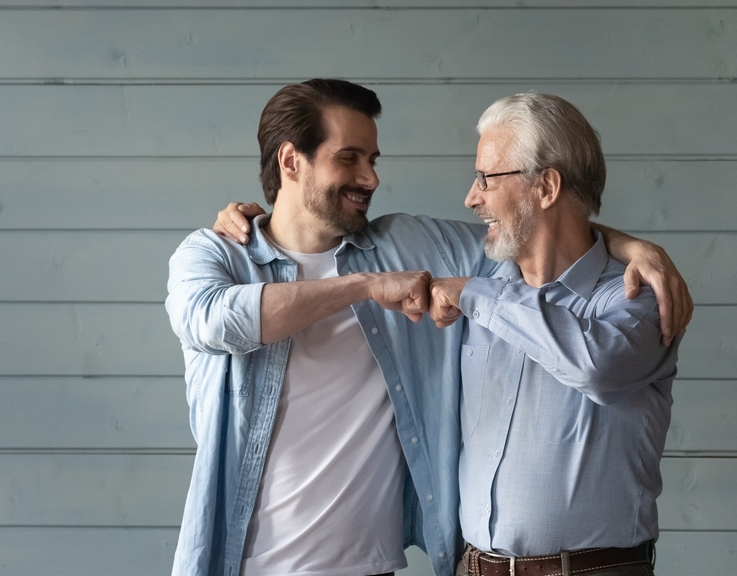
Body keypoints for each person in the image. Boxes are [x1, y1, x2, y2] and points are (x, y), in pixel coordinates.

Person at [169, 80, 691, 576]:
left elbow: (530, 229)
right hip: (247, 564)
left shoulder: (408, 247)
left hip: (372, 567)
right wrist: (364, 289)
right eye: (349, 158)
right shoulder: (216, 254)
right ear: (290, 161)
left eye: (372, 160)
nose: (370, 178)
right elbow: (215, 320)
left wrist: (633, 247)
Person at [427, 93, 680, 576]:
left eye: (486, 178)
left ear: (546, 187)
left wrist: (476, 297)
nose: (471, 196)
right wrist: (248, 225)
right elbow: (357, 241)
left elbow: (596, 366)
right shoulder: (485, 276)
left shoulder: (639, 296)